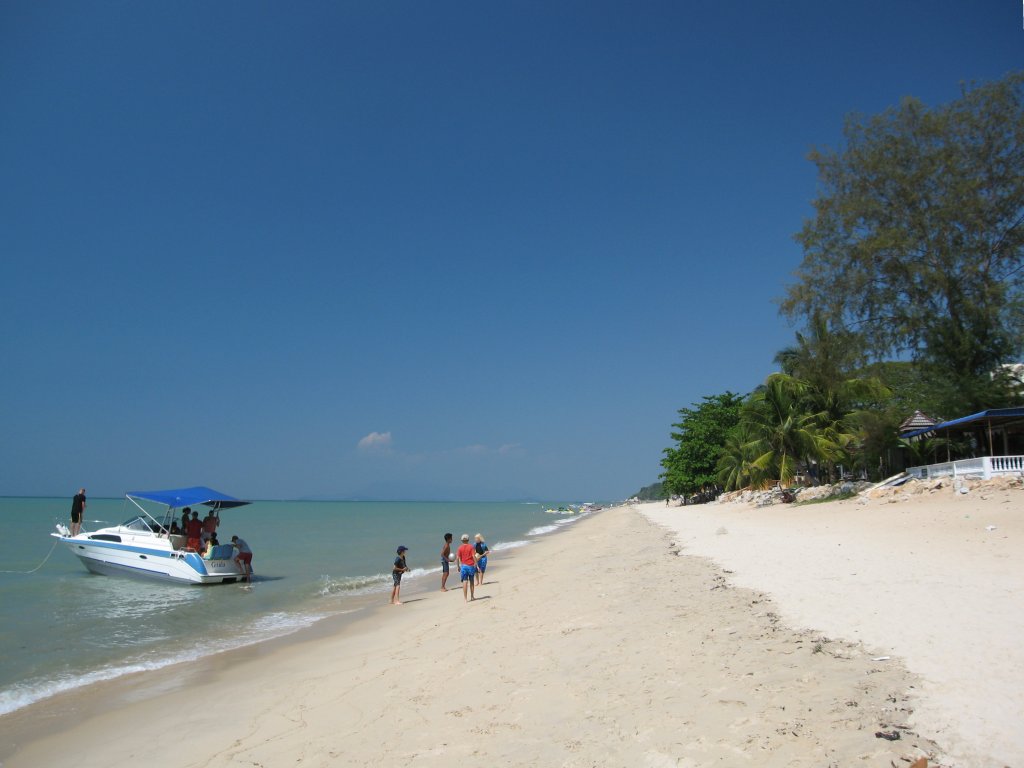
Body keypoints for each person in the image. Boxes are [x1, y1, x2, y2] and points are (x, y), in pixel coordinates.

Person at [456, 534, 477, 602]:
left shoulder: (460, 548)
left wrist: (458, 566)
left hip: (463, 566)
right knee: (471, 581)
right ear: (468, 540)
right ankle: (472, 596)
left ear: (462, 540)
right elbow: (473, 556)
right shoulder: (471, 547)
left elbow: (457, 558)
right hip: (470, 566)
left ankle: (465, 599)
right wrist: (476, 563)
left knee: (464, 581)